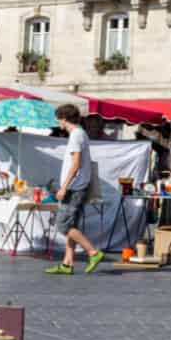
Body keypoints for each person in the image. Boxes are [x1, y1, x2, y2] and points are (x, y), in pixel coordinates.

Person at [45, 103, 105, 275]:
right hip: (79, 186)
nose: (58, 123)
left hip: (74, 188)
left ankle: (93, 252)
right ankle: (67, 263)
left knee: (63, 225)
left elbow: (76, 164)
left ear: (64, 119)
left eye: (58, 119)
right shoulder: (80, 134)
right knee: (71, 224)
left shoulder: (76, 136)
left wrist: (64, 187)